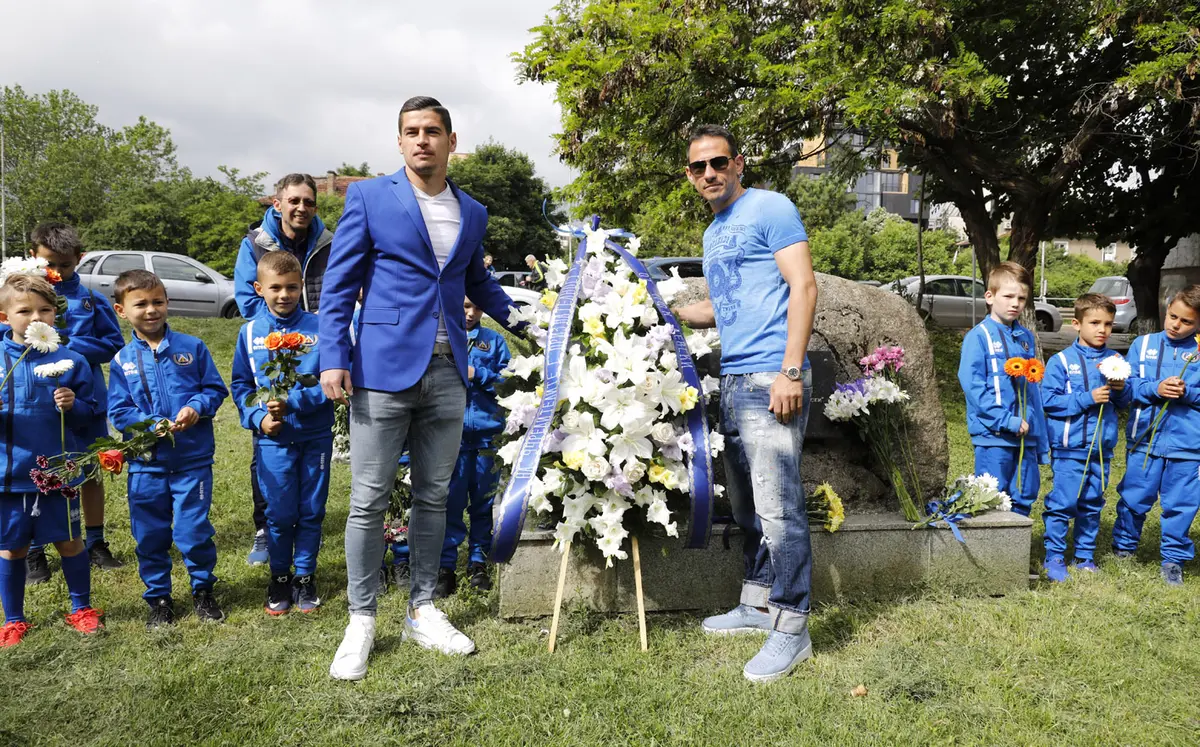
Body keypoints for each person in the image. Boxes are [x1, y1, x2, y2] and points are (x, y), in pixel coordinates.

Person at [319, 96, 521, 680]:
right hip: (380, 370)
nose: (421, 140)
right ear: (400, 141)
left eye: (432, 131)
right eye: (411, 131)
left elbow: (481, 285)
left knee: (435, 495)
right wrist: (333, 358)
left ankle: (422, 608)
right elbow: (339, 285)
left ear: (451, 142)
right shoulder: (368, 197)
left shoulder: (472, 211)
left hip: (449, 372)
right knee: (369, 498)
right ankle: (361, 619)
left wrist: (540, 326)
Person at [673, 124, 818, 683]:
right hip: (733, 380)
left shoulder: (770, 207)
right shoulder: (714, 231)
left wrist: (790, 371)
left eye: (719, 162)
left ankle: (792, 627)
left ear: (738, 164)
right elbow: (726, 305)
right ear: (690, 175)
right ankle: (757, 603)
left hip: (770, 377)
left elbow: (803, 287)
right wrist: (674, 311)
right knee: (748, 505)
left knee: (780, 509)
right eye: (698, 166)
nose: (709, 173)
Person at [108, 270, 229, 627]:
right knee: (150, 534)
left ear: (167, 302)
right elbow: (119, 411)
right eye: (140, 304)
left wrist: (196, 407)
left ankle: (203, 590)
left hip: (192, 461)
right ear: (121, 310)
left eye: (157, 302)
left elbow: (214, 389)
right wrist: (149, 424)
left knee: (193, 531)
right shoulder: (122, 360)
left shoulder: (193, 347)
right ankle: (159, 598)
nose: (151, 310)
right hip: (146, 465)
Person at [234, 173, 334, 567]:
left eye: (308, 202)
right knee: (267, 452)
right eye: (294, 201)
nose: (301, 208)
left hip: (316, 346)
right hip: (270, 345)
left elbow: (340, 290)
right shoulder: (255, 243)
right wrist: (276, 330)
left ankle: (304, 564)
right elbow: (247, 298)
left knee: (310, 492)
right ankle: (266, 528)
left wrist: (312, 329)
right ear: (278, 204)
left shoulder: (329, 241)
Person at [0, 274, 103, 645]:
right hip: (9, 476)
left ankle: (82, 608)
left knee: (70, 542)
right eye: (24, 311)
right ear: (4, 316)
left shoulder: (71, 360)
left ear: (55, 316)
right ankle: (13, 619)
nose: (35, 318)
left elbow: (91, 413)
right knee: (12, 548)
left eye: (45, 310)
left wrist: (74, 406)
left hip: (59, 474)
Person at [24, 223, 126, 585]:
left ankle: (95, 543)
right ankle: (34, 549)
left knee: (91, 470)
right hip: (36, 401)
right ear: (33, 255)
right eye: (49, 263)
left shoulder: (91, 300)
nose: (56, 272)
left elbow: (113, 344)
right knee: (36, 470)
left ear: (78, 259)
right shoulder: (20, 300)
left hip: (86, 398)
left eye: (65, 265)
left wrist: (70, 344)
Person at [388, 298, 510, 596]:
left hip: (486, 440)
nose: (470, 313)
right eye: (464, 305)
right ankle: (446, 566)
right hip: (448, 438)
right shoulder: (436, 341)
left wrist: (479, 374)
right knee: (449, 503)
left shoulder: (493, 342)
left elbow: (510, 384)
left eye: (477, 307)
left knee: (483, 504)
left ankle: (478, 562)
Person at [1112, 285, 1200, 585]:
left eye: (1186, 321)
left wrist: (1187, 393)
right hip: (1145, 440)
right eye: (1173, 316)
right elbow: (1127, 387)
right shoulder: (1143, 344)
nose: (1176, 325)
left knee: (1181, 504)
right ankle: (1124, 547)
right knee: (1134, 496)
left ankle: (1173, 559)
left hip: (1187, 445)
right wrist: (1156, 388)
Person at [1040, 294, 1131, 581]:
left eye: (1108, 324)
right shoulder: (1061, 361)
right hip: (1070, 448)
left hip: (1101, 449)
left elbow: (1125, 402)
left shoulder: (1116, 360)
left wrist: (1120, 390)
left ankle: (1084, 555)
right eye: (1094, 323)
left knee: (1092, 502)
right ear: (1077, 324)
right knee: (1063, 502)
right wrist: (1086, 398)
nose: (1102, 329)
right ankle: (1054, 555)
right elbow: (1048, 401)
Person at [957, 261, 1049, 517]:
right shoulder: (979, 336)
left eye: (1021, 298)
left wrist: (1040, 437)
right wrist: (1006, 420)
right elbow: (973, 387)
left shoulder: (1026, 338)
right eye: (1008, 296)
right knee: (991, 497)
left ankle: (1017, 541)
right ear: (990, 296)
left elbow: (1033, 392)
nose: (1015, 304)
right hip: (994, 436)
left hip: (1026, 436)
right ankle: (991, 542)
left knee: (1024, 493)